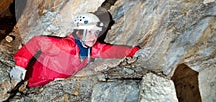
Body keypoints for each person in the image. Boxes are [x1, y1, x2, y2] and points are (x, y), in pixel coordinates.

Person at [9, 12, 150, 87]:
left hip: (50, 81)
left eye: (95, 33)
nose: (93, 37)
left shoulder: (92, 48)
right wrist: (20, 66)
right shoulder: (65, 46)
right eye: (88, 32)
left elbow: (111, 50)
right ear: (78, 32)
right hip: (33, 77)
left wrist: (133, 51)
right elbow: (37, 42)